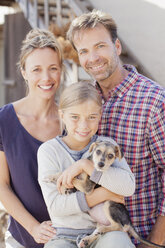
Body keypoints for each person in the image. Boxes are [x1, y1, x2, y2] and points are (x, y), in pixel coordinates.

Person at [66, 9, 165, 247]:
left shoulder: (154, 101)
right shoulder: (83, 101)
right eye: (84, 51)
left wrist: (156, 241)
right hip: (90, 235)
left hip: (139, 236)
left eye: (100, 46)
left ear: (117, 46)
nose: (93, 58)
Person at [38, 81, 136, 248]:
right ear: (62, 115)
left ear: (100, 115)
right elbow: (56, 207)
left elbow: (128, 188)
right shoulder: (49, 151)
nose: (83, 125)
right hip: (64, 234)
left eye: (92, 117)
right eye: (75, 117)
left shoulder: (108, 146)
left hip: (106, 231)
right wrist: (105, 194)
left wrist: (86, 166)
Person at [0, 28, 63, 248]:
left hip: (67, 240)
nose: (46, 78)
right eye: (36, 69)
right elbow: (2, 185)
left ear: (61, 70)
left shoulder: (72, 121)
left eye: (52, 68)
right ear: (24, 72)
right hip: (22, 239)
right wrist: (33, 228)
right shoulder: (4, 120)